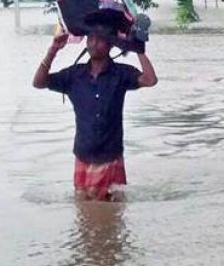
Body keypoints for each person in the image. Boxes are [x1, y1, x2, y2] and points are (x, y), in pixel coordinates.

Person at [32, 11, 158, 200]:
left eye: (100, 40)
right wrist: (53, 50)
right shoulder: (74, 75)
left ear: (110, 45)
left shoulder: (121, 74)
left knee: (114, 213)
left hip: (111, 157)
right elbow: (39, 83)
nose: (93, 43)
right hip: (84, 155)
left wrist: (139, 48)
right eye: (90, 38)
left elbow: (150, 80)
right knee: (84, 214)